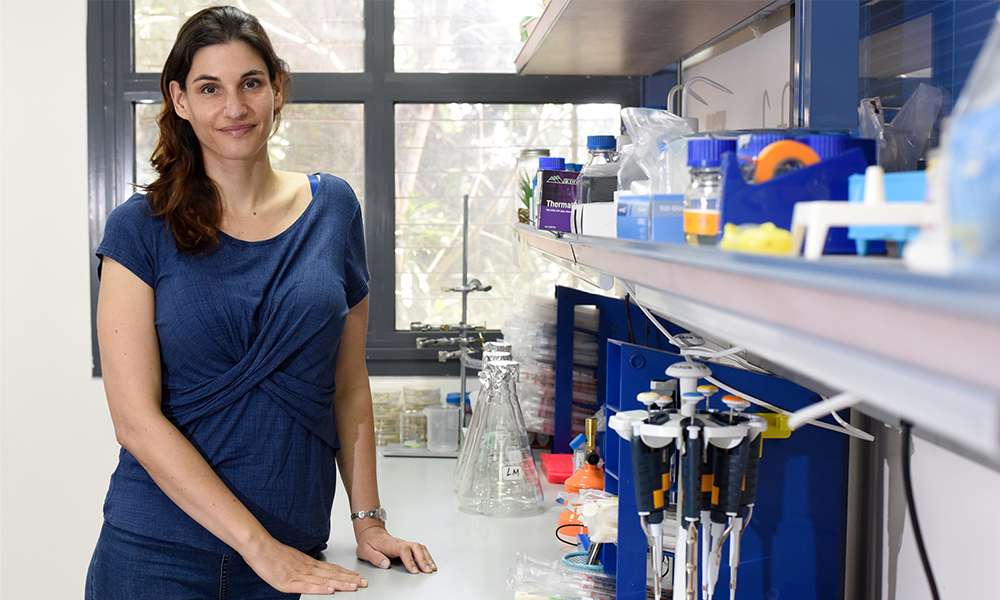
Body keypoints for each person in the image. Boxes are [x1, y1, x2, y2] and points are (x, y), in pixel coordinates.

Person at [86, 6, 435, 599]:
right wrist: (262, 551)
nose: (235, 108)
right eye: (209, 88)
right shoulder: (138, 229)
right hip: (155, 558)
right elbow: (135, 424)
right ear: (180, 99)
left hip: (294, 551)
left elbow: (348, 383)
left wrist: (368, 520)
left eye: (251, 83)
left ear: (278, 87)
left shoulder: (334, 211)